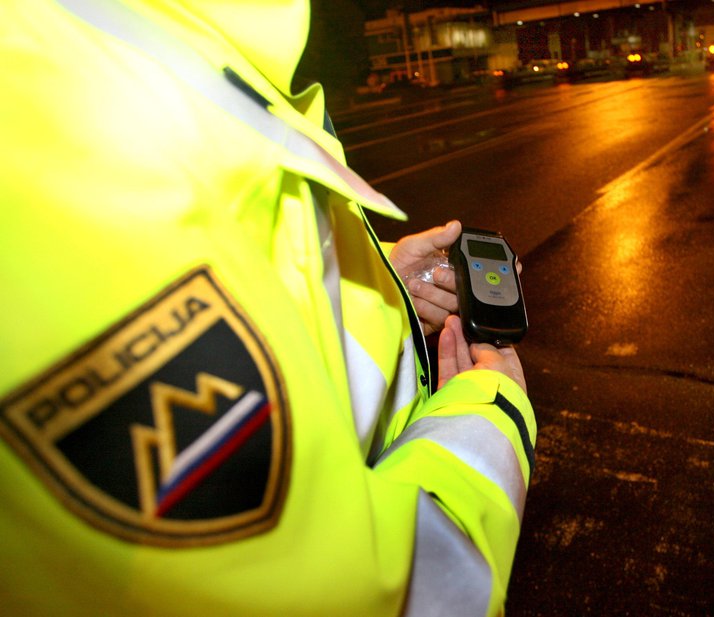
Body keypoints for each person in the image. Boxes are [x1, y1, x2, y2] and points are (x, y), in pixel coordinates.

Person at [0, 1, 535, 616]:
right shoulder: (67, 123)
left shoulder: (189, 37)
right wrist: (490, 414)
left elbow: (254, 272)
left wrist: (383, 279)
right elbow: (368, 594)